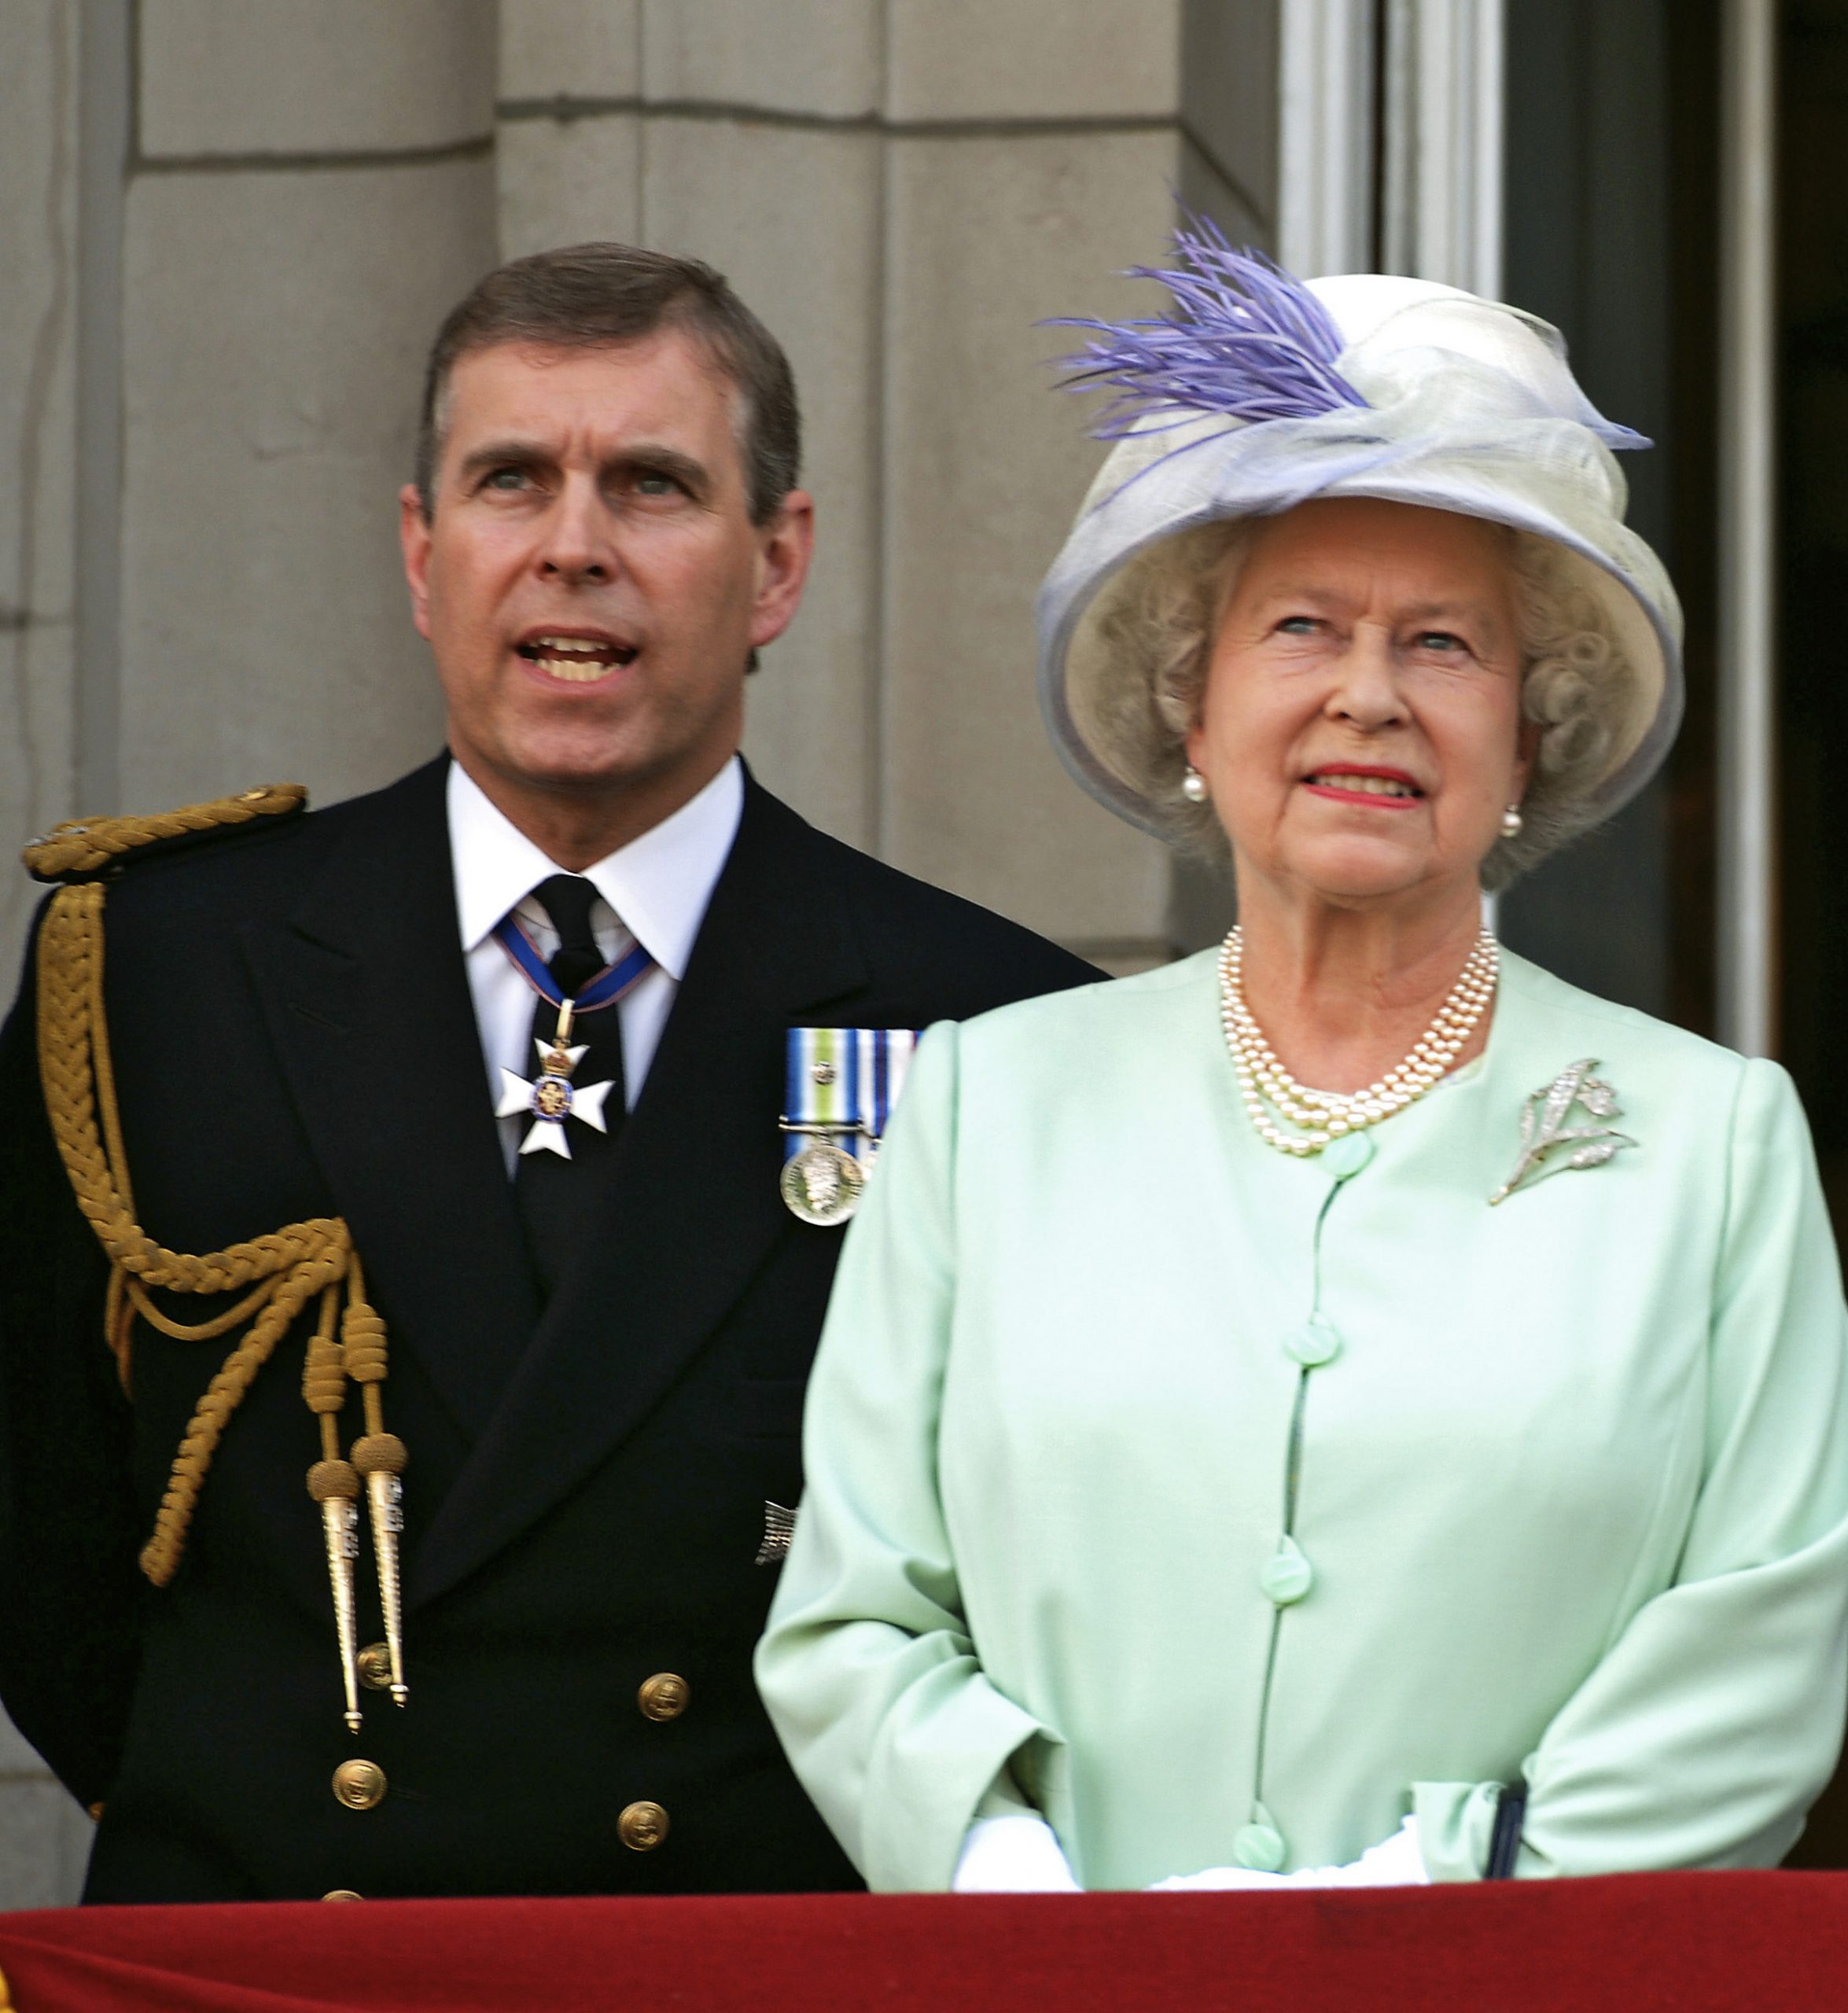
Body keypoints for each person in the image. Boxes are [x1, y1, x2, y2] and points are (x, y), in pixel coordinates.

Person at [0, 241, 1092, 1903]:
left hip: (724, 1970)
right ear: (423, 553)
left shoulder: (987, 1021)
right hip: (280, 1959)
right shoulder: (154, 968)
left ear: (776, 563)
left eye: (651, 484)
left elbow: (1041, 1585)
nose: (573, 547)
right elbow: (35, 1528)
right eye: (512, 480)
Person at [756, 232, 1848, 1890]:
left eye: (1442, 643)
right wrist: (1009, 1884)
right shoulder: (986, 1106)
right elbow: (851, 1612)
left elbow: (1768, 1639)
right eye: (1299, 628)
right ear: (1189, 710)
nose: (1366, 695)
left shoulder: (1712, 1142)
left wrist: (1409, 1906)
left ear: (1526, 730)